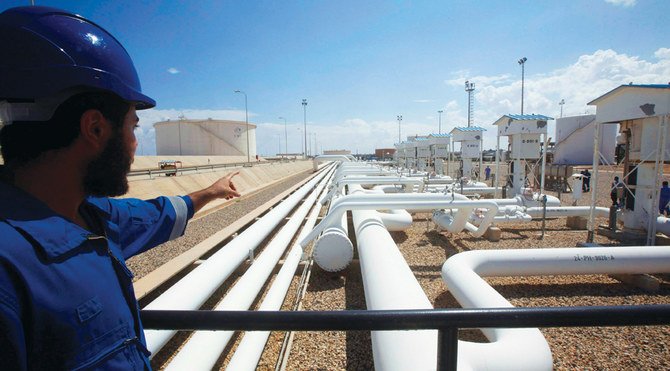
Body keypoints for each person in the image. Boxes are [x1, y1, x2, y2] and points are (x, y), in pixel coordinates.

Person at [0, 6, 241, 370]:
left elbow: (153, 214)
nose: (135, 144)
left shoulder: (91, 218)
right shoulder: (10, 270)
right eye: (132, 126)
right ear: (95, 129)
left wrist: (209, 192)